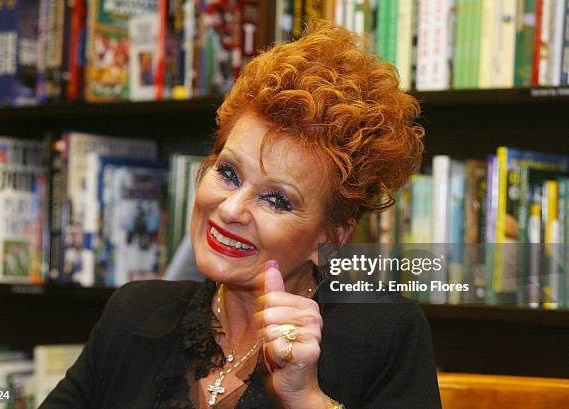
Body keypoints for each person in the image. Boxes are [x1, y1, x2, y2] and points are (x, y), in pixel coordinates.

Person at [40, 20, 441, 409]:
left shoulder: (386, 335)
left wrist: (305, 399)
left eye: (276, 200)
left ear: (332, 235)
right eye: (228, 173)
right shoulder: (132, 314)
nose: (231, 209)